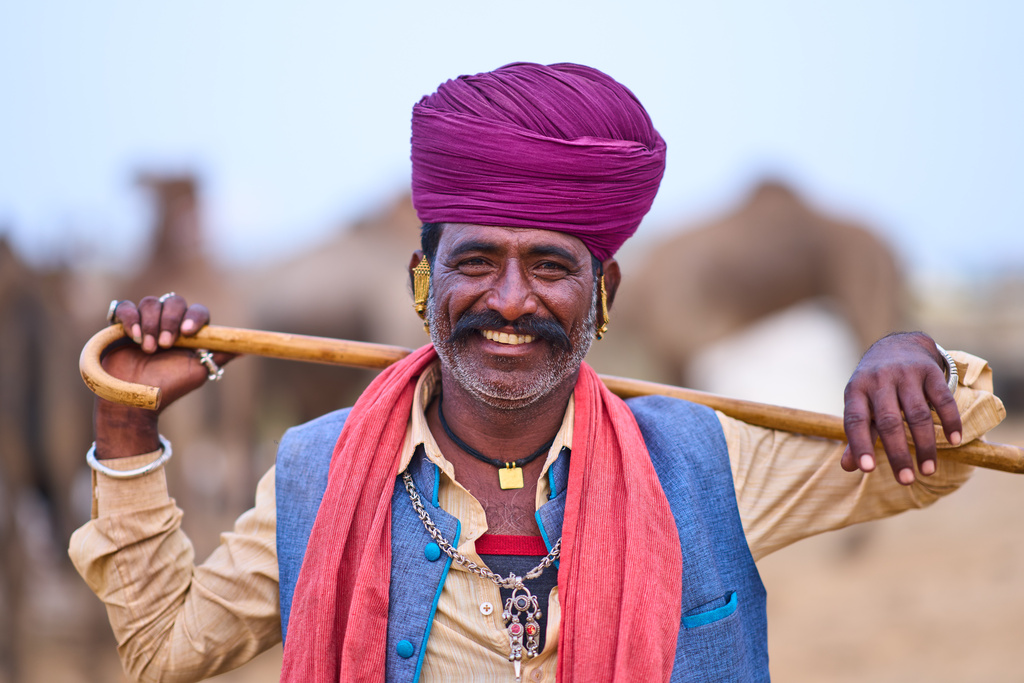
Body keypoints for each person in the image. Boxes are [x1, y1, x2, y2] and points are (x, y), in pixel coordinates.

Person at [71, 63, 1005, 683]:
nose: (511, 299)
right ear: (419, 280)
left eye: (551, 267)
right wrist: (127, 427)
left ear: (603, 292)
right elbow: (163, 652)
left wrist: (908, 356)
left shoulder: (706, 464)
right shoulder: (318, 477)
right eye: (475, 261)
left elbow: (952, 442)